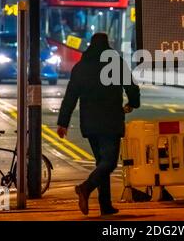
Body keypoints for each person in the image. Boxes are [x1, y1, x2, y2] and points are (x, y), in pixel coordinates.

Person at [57, 32, 140, 216]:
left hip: (90, 123)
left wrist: (63, 122)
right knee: (109, 163)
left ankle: (106, 206)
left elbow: (70, 97)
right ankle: (85, 188)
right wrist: (132, 103)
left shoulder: (81, 67)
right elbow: (132, 87)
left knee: (102, 163)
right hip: (110, 120)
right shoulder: (115, 64)